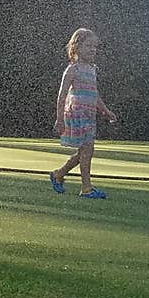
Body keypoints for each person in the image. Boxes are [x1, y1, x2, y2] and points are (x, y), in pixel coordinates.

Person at [49, 28, 116, 199]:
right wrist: (59, 119)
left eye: (95, 46)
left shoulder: (92, 69)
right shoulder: (73, 69)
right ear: (77, 47)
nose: (93, 49)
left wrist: (105, 111)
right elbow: (62, 95)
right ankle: (86, 188)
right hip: (76, 114)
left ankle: (59, 174)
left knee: (85, 151)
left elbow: (94, 94)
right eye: (89, 46)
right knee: (87, 149)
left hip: (88, 115)